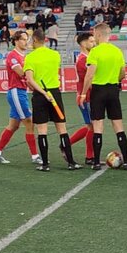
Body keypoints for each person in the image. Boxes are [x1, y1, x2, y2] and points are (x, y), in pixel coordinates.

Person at [22, 29, 80, 172]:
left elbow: (29, 79)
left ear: (35, 39)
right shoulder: (55, 55)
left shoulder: (30, 57)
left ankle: (45, 164)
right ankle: (71, 162)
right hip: (54, 92)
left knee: (42, 131)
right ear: (45, 39)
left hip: (40, 94)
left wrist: (41, 91)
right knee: (62, 129)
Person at [79, 22, 127, 169]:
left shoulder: (95, 52)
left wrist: (83, 93)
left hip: (98, 91)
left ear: (98, 34)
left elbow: (89, 75)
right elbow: (123, 73)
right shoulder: (117, 51)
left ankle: (96, 162)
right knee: (118, 126)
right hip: (113, 90)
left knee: (98, 126)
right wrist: (115, 80)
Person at [0, 31, 40, 165]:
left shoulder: (24, 57)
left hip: (21, 92)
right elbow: (22, 73)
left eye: (26, 39)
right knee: (29, 122)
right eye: (23, 39)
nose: (26, 42)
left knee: (13, 125)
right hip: (16, 92)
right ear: (16, 41)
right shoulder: (13, 56)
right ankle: (35, 156)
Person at [67, 32, 97, 164]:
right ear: (83, 43)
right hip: (86, 97)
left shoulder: (86, 57)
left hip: (87, 96)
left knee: (91, 126)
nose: (94, 43)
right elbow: (89, 79)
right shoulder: (84, 59)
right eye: (91, 41)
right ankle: (89, 157)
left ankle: (66, 144)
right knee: (92, 127)